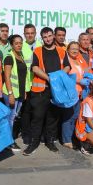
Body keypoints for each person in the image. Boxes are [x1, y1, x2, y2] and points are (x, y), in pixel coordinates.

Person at [24, 27, 71, 155]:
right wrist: (50, 79)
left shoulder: (62, 51)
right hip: (40, 90)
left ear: (53, 36)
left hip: (57, 91)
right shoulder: (38, 51)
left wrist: (58, 77)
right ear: (42, 38)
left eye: (50, 36)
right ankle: (33, 143)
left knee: (53, 118)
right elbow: (34, 68)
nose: (48, 39)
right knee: (37, 118)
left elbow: (67, 66)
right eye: (45, 37)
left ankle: (50, 142)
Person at [2, 35, 28, 152]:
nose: (19, 45)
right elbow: (7, 76)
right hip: (11, 93)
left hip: (20, 93)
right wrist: (11, 93)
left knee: (13, 117)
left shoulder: (21, 55)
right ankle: (8, 142)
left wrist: (24, 91)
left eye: (20, 43)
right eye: (16, 43)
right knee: (10, 118)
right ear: (11, 45)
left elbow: (23, 76)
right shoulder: (9, 57)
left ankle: (8, 140)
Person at [65, 41, 92, 149]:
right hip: (72, 92)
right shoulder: (67, 61)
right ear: (68, 50)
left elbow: (83, 72)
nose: (75, 51)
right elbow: (65, 76)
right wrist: (79, 80)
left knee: (77, 117)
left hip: (81, 93)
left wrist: (87, 77)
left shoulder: (78, 60)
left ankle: (73, 138)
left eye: (77, 48)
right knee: (69, 117)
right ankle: (66, 140)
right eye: (73, 48)